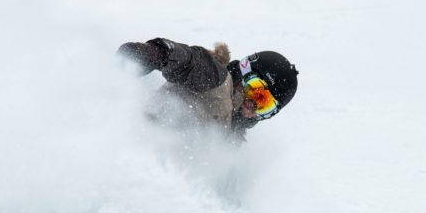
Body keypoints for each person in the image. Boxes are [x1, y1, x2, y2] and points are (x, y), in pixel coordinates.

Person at [118, 38, 298, 143]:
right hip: (137, 140)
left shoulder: (232, 137)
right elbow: (189, 61)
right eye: (257, 92)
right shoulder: (216, 80)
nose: (253, 107)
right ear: (245, 71)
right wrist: (153, 53)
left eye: (265, 106)